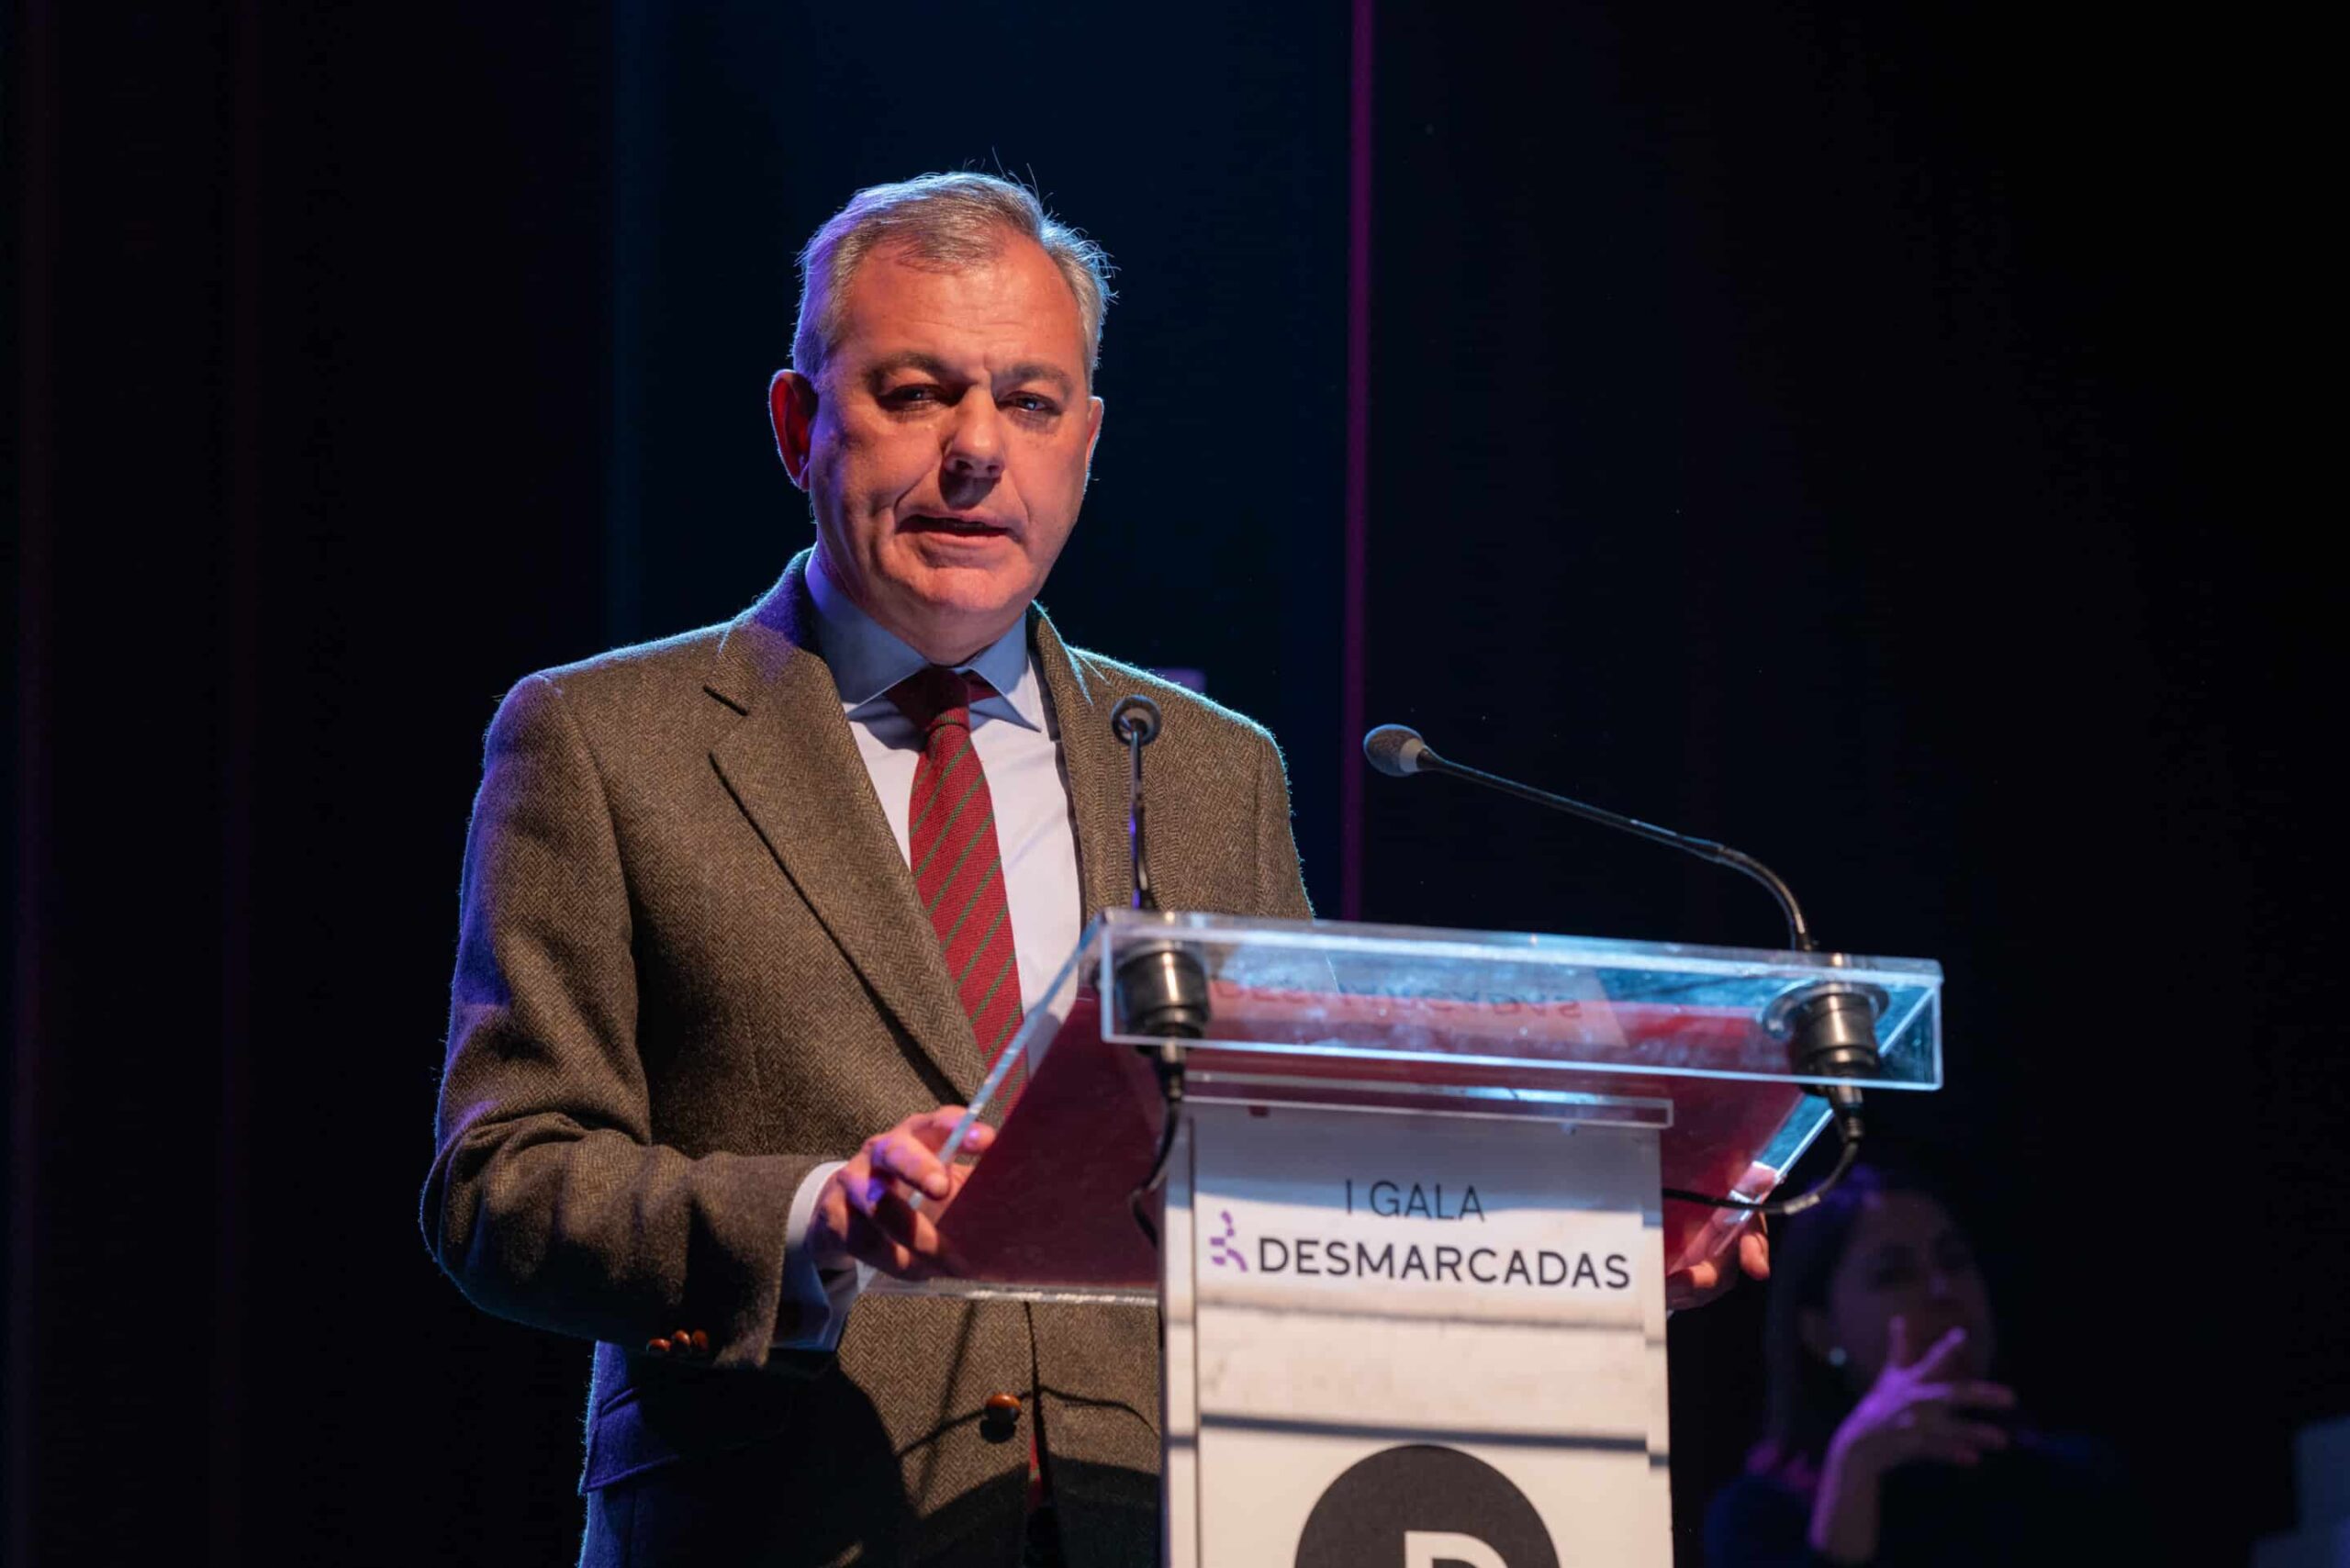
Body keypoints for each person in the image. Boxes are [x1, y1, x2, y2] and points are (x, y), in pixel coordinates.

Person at [423, 171, 1762, 1568]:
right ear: (798, 425)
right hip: (784, 1526)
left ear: (1087, 442)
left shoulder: (1210, 769)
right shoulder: (602, 741)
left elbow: (1306, 1189)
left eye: (1030, 401)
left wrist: (1591, 1256)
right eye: (916, 393)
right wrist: (818, 1214)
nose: (976, 450)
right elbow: (500, 1184)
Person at [1704, 1164, 2142, 1565]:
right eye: (1894, 1274)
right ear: (1822, 1332)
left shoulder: (2075, 1482)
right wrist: (1856, 1470)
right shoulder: (1761, 1517)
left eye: (1953, 1261)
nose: (1941, 1289)